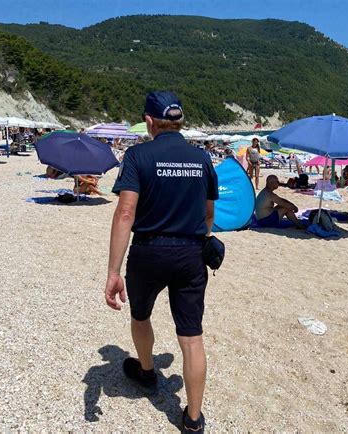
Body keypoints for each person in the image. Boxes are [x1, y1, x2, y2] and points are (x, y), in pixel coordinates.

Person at [105, 91, 218, 434]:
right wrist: (202, 237)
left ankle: (147, 371)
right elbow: (209, 212)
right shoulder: (201, 158)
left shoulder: (138, 156)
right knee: (192, 336)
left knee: (141, 314)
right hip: (189, 253)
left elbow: (126, 212)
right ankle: (194, 419)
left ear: (150, 122)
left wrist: (113, 271)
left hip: (149, 251)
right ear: (180, 121)